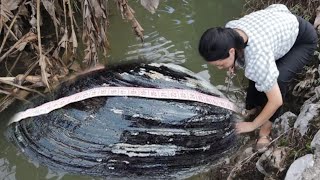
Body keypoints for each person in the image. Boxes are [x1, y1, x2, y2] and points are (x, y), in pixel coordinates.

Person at [198, 4, 318, 149]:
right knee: (256, 74)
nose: (219, 68)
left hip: (301, 40)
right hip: (276, 29)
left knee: (278, 81)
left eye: (220, 64)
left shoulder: (257, 57)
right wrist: (232, 63)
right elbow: (248, 59)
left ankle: (265, 132)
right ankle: (252, 108)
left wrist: (252, 125)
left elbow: (276, 101)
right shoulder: (229, 31)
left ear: (231, 51)